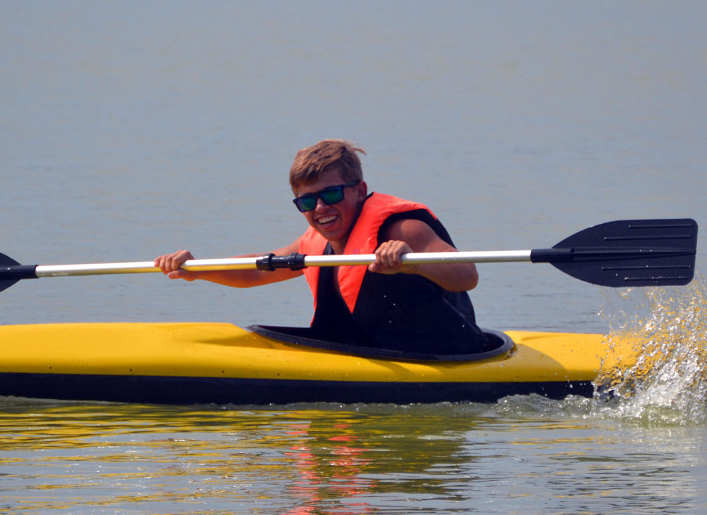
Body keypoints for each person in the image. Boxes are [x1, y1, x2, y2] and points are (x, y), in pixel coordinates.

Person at [155, 140, 490, 355]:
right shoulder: (314, 243)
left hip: (446, 356)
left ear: (360, 190)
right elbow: (255, 273)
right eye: (307, 201)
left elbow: (466, 275)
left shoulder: (404, 229)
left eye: (330, 195)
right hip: (369, 353)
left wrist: (412, 263)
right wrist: (196, 269)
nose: (320, 209)